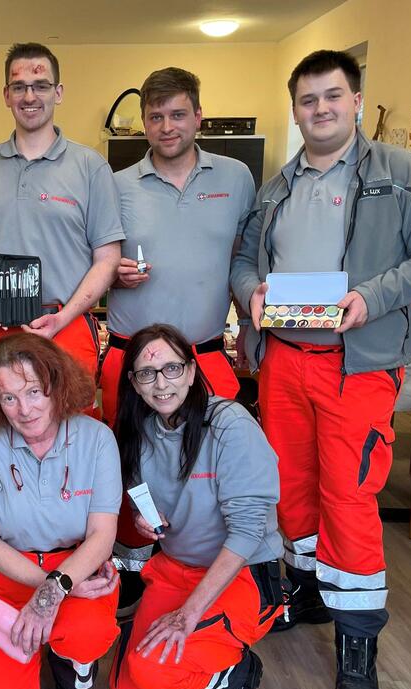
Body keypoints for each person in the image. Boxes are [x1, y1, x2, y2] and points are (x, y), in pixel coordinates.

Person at [230, 49, 411, 689]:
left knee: (349, 498)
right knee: (292, 489)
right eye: (308, 99)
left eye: (332, 96)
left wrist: (373, 297)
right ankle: (308, 591)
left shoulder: (401, 171)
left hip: (360, 361)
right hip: (286, 358)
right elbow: (243, 262)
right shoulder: (276, 184)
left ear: (356, 100)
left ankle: (358, 641)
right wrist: (252, 297)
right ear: (296, 109)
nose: (320, 109)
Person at [106, 324, 283, 689]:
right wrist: (139, 520)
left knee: (156, 675)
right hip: (176, 568)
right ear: (133, 381)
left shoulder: (229, 424)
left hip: (240, 574)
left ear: (191, 370)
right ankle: (180, 658)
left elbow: (247, 533)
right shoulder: (138, 430)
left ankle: (238, 676)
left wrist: (188, 615)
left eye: (171, 368)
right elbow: (143, 499)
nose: (161, 383)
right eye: (147, 373)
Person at [0, 333, 121, 689]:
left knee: (87, 632)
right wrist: (47, 589)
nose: (24, 409)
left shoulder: (97, 438)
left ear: (56, 383)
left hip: (75, 569)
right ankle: (4, 642)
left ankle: (72, 673)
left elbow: (102, 536)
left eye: (34, 391)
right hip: (6, 571)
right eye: (9, 397)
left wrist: (59, 586)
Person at [0, 42, 124, 379]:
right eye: (19, 87)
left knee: (70, 430)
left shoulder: (90, 166)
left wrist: (63, 318)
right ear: (6, 95)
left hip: (65, 326)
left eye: (41, 85)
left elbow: (108, 259)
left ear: (58, 92)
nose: (29, 96)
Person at [100, 67, 257, 428]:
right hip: (131, 364)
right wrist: (114, 275)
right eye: (156, 117)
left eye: (177, 115)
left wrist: (248, 321)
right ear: (144, 122)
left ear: (198, 116)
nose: (167, 127)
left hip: (206, 358)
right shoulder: (114, 185)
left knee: (209, 469)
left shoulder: (236, 177)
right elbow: (94, 265)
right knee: (129, 471)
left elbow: (242, 260)